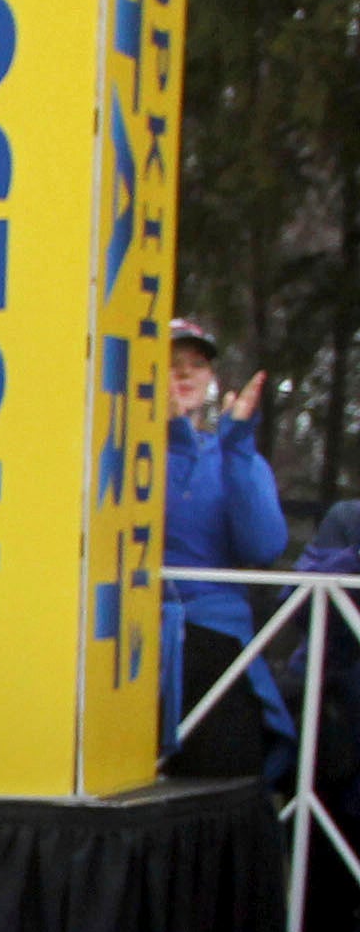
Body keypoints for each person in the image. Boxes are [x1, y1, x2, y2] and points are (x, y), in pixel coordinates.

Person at [162, 319, 288, 780]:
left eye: (197, 365)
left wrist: (237, 448)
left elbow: (265, 546)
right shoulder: (115, 451)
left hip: (215, 640)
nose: (186, 375)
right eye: (170, 364)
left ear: (212, 379)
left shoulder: (234, 453)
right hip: (129, 640)